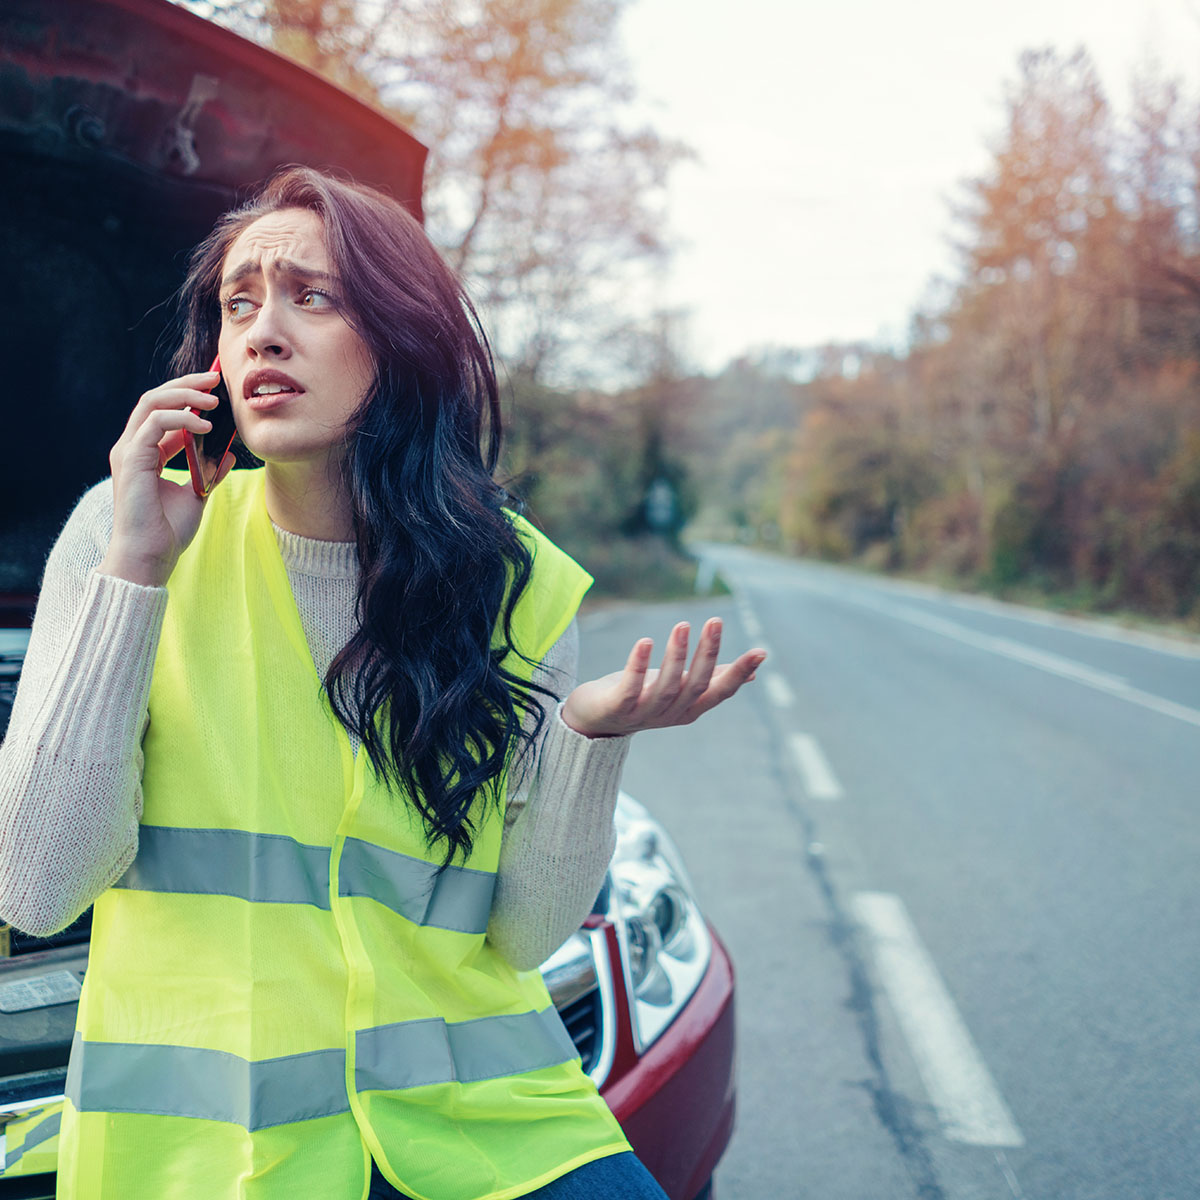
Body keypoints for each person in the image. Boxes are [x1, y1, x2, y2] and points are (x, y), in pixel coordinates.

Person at [0, 167, 765, 1200]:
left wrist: (586, 738)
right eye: (240, 304)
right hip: (218, 1153)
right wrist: (135, 574)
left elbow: (527, 937)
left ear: (401, 341)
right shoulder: (126, 531)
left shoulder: (517, 581)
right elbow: (39, 888)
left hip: (485, 1132)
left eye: (311, 296)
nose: (265, 331)